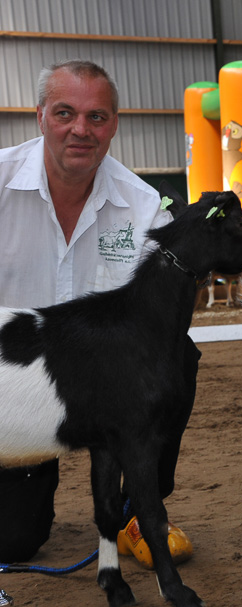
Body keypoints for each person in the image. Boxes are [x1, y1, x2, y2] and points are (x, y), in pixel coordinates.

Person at [0, 60, 194, 569]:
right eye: (65, 113)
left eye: (98, 117)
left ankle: (136, 509)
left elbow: (160, 317)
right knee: (14, 542)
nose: (81, 130)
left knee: (179, 354)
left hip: (105, 382)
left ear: (114, 124)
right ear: (39, 115)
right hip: (16, 382)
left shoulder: (144, 206)